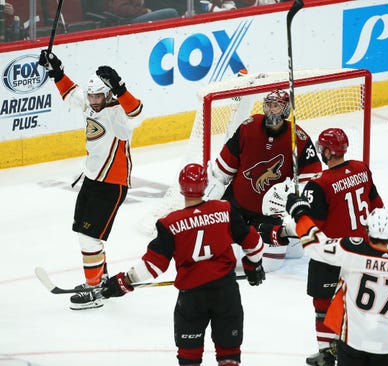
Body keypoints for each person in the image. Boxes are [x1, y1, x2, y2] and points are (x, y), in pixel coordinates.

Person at [100, 163, 266, 366]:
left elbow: (153, 266)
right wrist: (253, 265)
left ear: (180, 187)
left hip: (192, 298)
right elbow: (254, 243)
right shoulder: (224, 209)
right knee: (229, 355)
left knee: (189, 357)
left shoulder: (170, 223)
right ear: (205, 185)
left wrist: (123, 282)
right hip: (226, 292)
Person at [38, 50, 144, 310]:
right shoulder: (89, 102)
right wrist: (57, 70)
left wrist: (121, 88)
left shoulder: (119, 114)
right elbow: (72, 94)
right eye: (92, 96)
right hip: (92, 178)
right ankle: (100, 279)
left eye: (99, 96)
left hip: (112, 183)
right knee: (85, 234)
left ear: (108, 95)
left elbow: (137, 114)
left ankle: (95, 288)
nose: (94, 101)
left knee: (89, 237)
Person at [283, 197, 388, 366]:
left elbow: (315, 245)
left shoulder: (352, 250)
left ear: (367, 229)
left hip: (353, 342)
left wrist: (301, 215)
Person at [204, 88, 322, 272]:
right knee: (223, 255)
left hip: (270, 213)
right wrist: (211, 202)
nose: (270, 110)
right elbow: (222, 170)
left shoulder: (298, 138)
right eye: (268, 105)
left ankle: (289, 240)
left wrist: (291, 194)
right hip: (237, 204)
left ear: (285, 110)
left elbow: (312, 180)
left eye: (276, 106)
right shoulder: (248, 127)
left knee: (269, 264)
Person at [301, 128, 384, 366]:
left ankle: (328, 353)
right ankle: (358, 349)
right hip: (364, 251)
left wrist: (296, 211)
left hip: (332, 254)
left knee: (323, 304)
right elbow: (377, 205)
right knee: (359, 303)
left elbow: (312, 228)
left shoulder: (320, 184)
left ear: (327, 151)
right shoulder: (361, 168)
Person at [106, 0, 178, 23]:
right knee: (171, 12)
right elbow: (121, 9)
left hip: (138, 14)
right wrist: (144, 11)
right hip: (128, 21)